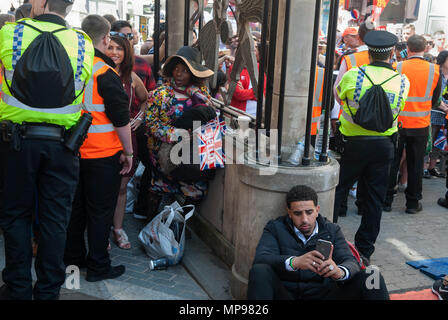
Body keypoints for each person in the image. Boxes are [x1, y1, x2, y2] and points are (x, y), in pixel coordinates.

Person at [0, 0, 95, 300]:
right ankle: (47, 292)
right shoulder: (83, 42)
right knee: (56, 221)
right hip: (63, 146)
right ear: (68, 6)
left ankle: (17, 289)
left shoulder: (10, 33)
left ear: (40, 3)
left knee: (16, 216)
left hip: (16, 144)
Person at [63, 14, 133, 282]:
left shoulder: (71, 66)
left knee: (76, 210)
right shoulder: (105, 73)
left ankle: (73, 260)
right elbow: (120, 119)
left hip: (72, 152)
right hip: (103, 156)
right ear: (105, 39)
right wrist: (128, 153)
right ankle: (99, 267)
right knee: (100, 212)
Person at [333, 31, 410, 265]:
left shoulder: (354, 75)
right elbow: (399, 109)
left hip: (353, 144)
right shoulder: (402, 81)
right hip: (384, 145)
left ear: (368, 53)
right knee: (374, 198)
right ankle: (364, 251)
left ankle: (329, 240)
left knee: (338, 191)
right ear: (392, 54)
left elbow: (339, 98)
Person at [247, 185, 390, 300]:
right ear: (289, 213)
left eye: (309, 212)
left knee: (372, 275)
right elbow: (261, 258)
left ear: (317, 210)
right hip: (287, 294)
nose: (304, 219)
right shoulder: (275, 228)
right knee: (259, 271)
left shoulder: (331, 230)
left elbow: (351, 261)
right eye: (298, 214)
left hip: (324, 294)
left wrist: (339, 272)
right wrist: (294, 262)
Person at [144, 46, 215, 215]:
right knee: (160, 188)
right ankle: (152, 224)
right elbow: (151, 124)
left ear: (193, 73)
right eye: (176, 69)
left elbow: (209, 117)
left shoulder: (201, 93)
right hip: (165, 153)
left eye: (185, 70)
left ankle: (178, 224)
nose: (179, 74)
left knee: (197, 191)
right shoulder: (159, 94)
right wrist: (175, 134)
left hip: (191, 153)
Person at [384, 35, 442, 214]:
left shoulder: (397, 67)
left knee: (392, 163)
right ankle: (412, 203)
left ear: (407, 49)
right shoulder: (435, 70)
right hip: (421, 124)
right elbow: (435, 100)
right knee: (415, 164)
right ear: (425, 49)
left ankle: (386, 201)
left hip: (398, 123)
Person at [106, 32, 149, 249]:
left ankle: (118, 229)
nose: (114, 52)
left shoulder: (132, 78)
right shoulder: (98, 72)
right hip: (101, 137)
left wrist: (139, 120)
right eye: (111, 47)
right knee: (100, 188)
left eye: (119, 49)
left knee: (122, 188)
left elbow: (146, 101)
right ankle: (101, 231)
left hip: (127, 138)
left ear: (126, 52)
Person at [424, 50, 448, 179]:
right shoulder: (436, 74)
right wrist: (443, 106)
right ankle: (424, 168)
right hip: (434, 112)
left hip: (445, 115)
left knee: (439, 143)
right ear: (443, 60)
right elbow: (433, 93)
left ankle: (432, 167)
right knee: (429, 141)